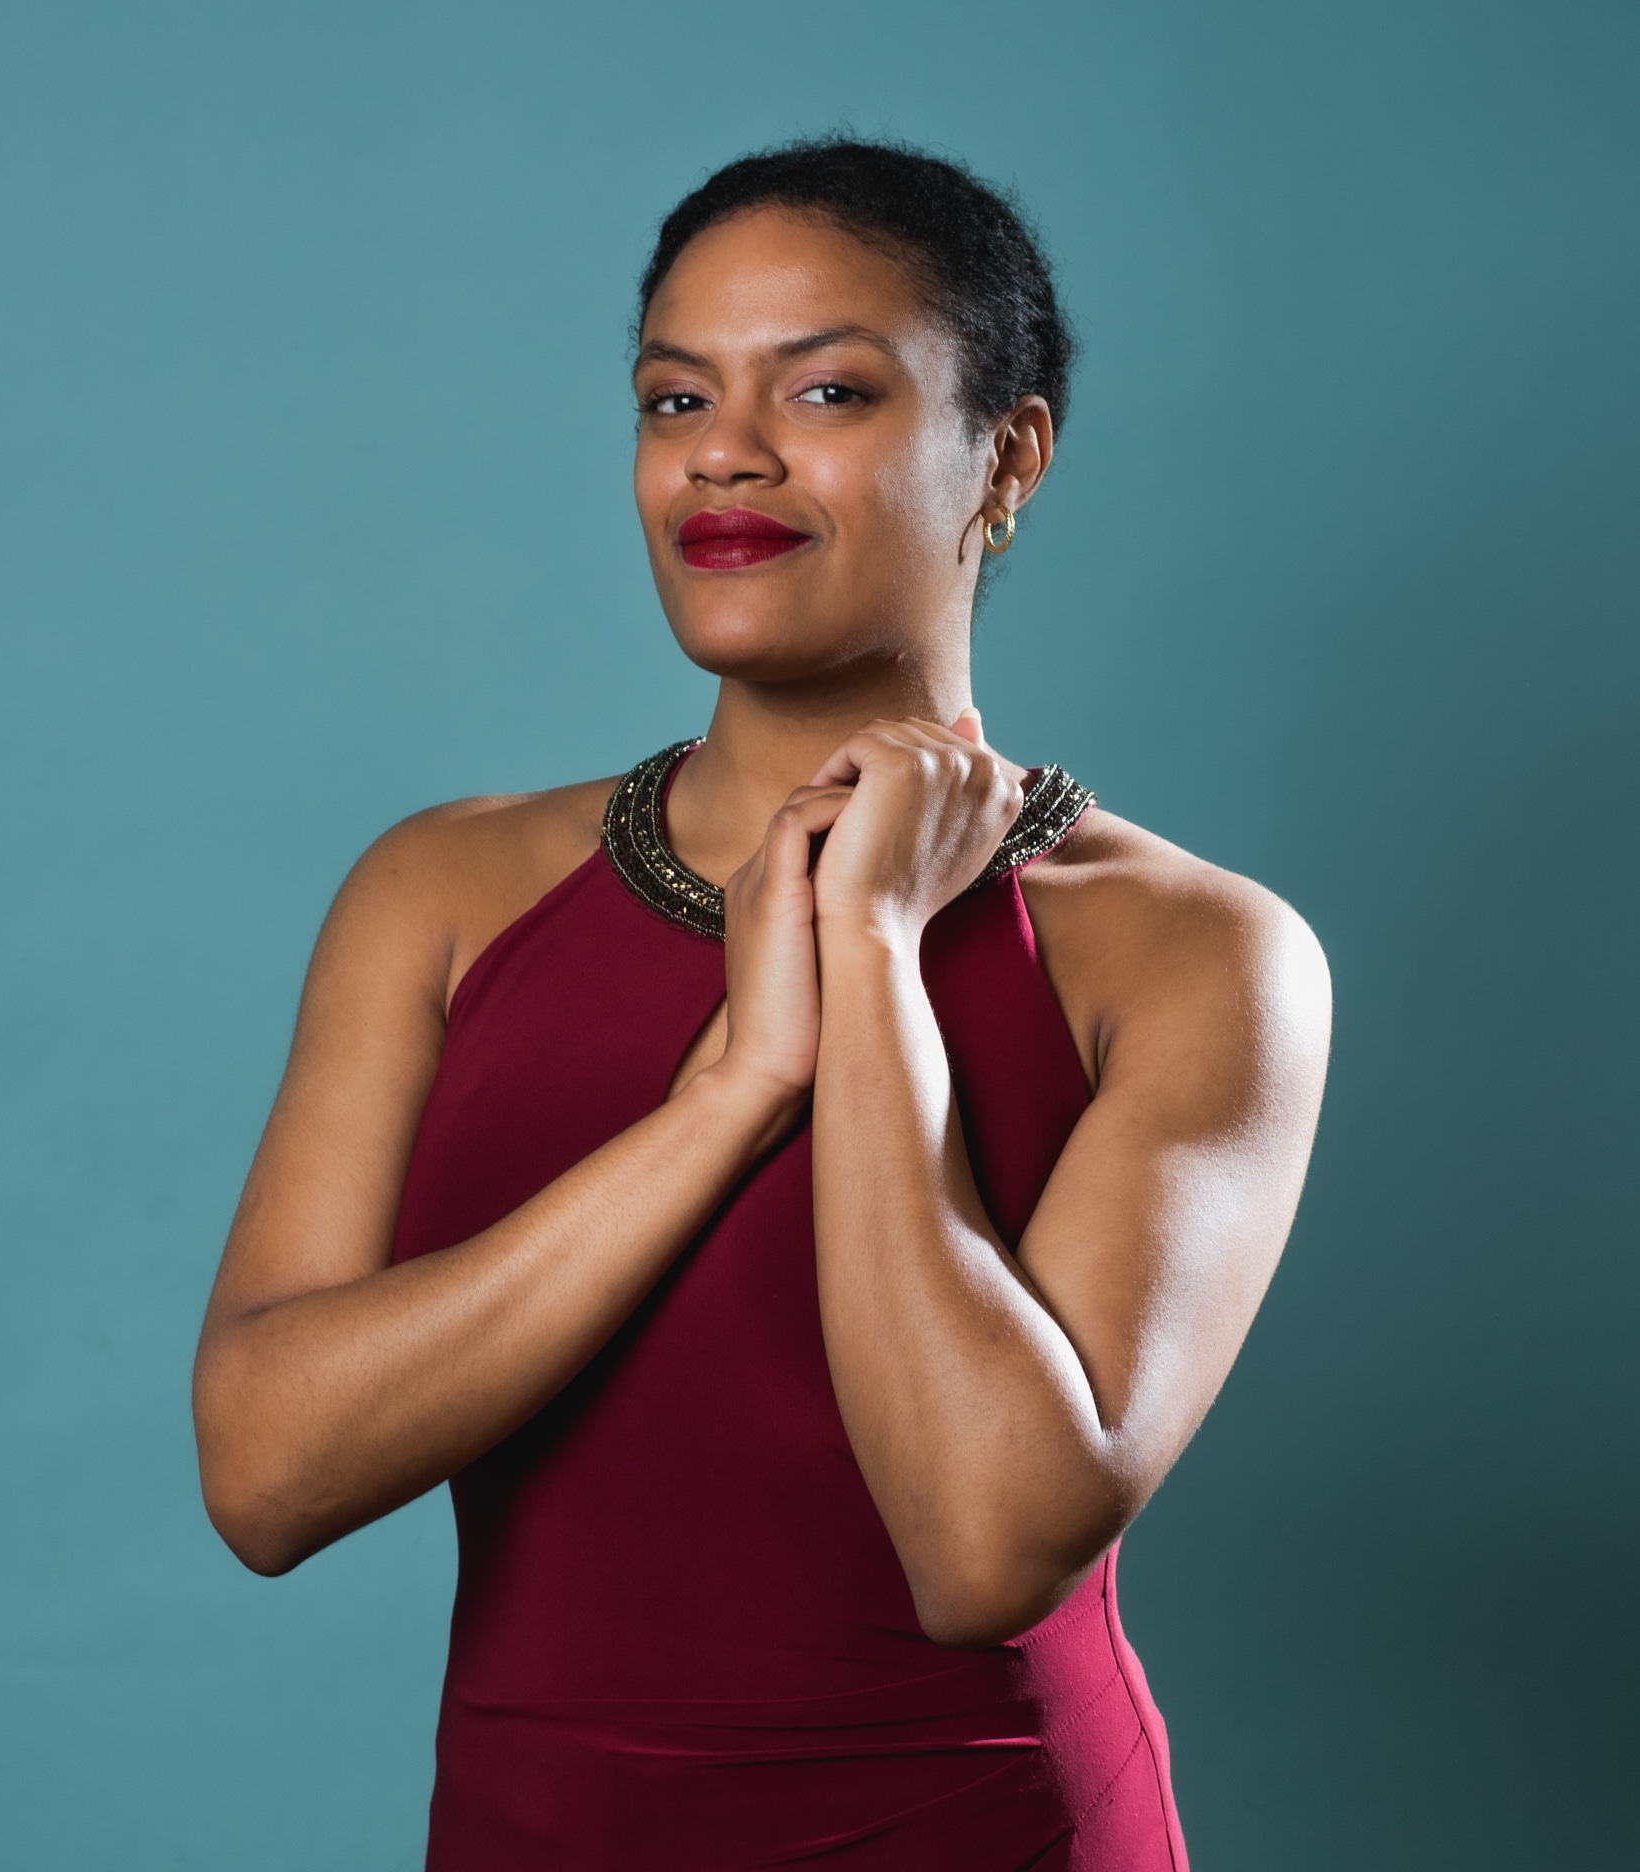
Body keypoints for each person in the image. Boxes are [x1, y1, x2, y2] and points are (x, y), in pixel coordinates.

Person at [193, 138, 1331, 1869]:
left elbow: (983, 1547)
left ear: (1006, 456)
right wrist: (727, 1097)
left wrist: (869, 952)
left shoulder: (1192, 952)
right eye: (674, 399)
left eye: (825, 389)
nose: (723, 451)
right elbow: (268, 1475)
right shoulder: (441, 892)